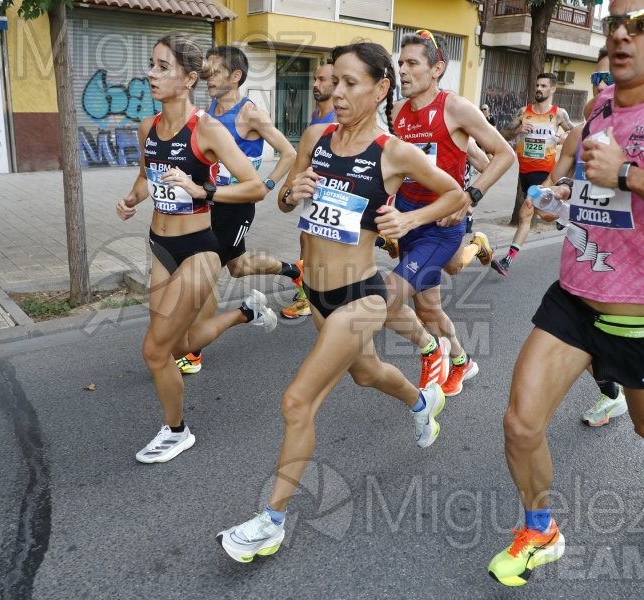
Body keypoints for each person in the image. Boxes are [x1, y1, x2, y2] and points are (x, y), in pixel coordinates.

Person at [488, 0, 644, 586]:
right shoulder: (599, 103)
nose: (622, 34)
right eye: (615, 21)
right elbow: (587, 183)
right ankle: (540, 531)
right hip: (574, 298)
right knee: (521, 425)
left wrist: (629, 174)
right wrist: (559, 197)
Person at [216, 41, 469, 563]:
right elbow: (287, 201)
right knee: (366, 373)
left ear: (380, 89)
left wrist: (411, 220)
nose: (339, 93)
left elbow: (456, 194)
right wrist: (294, 189)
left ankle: (272, 521)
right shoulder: (315, 136)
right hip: (316, 291)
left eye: (353, 84)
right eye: (335, 82)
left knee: (297, 401)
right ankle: (423, 402)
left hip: (361, 295)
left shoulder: (394, 151)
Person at [116, 35, 277, 464]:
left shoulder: (206, 129)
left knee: (154, 350)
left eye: (163, 67)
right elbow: (146, 175)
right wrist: (132, 199)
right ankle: (247, 313)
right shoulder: (148, 127)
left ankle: (176, 431)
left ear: (188, 79)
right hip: (159, 245)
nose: (151, 74)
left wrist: (202, 188)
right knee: (177, 344)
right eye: (152, 65)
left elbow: (255, 186)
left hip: (198, 250)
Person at [382, 29, 515, 396]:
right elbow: (398, 168)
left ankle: (431, 357)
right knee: (428, 310)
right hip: (408, 219)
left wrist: (470, 197)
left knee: (387, 298)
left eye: (412, 63)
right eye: (400, 63)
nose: (403, 71)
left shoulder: (454, 107)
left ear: (437, 68)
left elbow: (504, 155)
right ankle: (461, 359)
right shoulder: (397, 112)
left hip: (441, 223)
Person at [174, 46, 299, 375]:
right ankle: (294, 271)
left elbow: (288, 152)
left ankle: (195, 351)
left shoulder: (250, 113)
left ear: (236, 76)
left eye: (213, 73)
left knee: (205, 276)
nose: (207, 79)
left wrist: (267, 187)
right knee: (239, 267)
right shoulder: (210, 109)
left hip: (236, 208)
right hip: (209, 202)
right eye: (205, 73)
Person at [535, 47, 629, 427]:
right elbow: (554, 183)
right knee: (586, 345)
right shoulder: (579, 132)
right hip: (583, 261)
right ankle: (612, 396)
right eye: (597, 78)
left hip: (629, 271)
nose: (602, 87)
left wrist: (626, 175)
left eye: (611, 79)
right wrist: (552, 195)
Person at [492, 73, 576, 276]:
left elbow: (577, 136)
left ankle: (507, 260)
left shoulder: (559, 114)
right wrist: (519, 129)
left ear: (553, 89)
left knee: (525, 214)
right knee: (542, 215)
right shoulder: (524, 112)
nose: (539, 88)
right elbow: (502, 135)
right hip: (525, 173)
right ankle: (565, 214)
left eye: (544, 86)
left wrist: (563, 137)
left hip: (545, 172)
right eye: (537, 85)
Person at [280, 62, 338, 320]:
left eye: (322, 80)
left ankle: (312, 295)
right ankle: (309, 293)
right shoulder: (317, 116)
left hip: (337, 198)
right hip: (314, 195)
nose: (315, 84)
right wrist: (291, 193)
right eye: (315, 78)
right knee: (306, 240)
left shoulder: (338, 118)